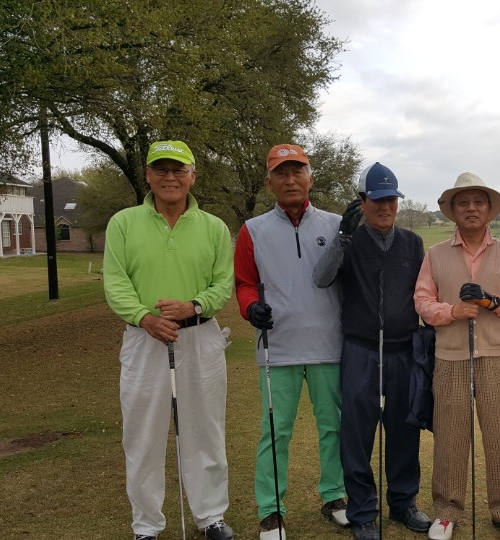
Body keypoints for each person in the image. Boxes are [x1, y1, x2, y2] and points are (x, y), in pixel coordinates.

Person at [104, 140, 235, 540]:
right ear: (147, 175)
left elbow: (222, 284)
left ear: (193, 176)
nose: (170, 177)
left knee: (205, 431)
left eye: (179, 170)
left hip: (201, 338)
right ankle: (146, 525)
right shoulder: (123, 223)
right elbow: (116, 282)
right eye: (161, 169)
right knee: (143, 434)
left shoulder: (214, 227)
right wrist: (145, 318)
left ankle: (210, 515)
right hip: (145, 340)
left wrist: (194, 305)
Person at [233, 144, 349, 540]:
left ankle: (334, 494)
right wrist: (250, 308)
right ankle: (271, 510)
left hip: (328, 346)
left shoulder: (336, 224)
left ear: (310, 178)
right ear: (269, 182)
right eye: (281, 173)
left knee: (333, 426)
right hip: (277, 347)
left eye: (297, 171)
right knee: (275, 431)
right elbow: (245, 283)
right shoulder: (253, 230)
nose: (290, 179)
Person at [313, 162, 432, 540]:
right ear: (361, 201)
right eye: (377, 200)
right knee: (357, 434)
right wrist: (343, 238)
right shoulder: (350, 240)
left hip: (403, 351)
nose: (386, 207)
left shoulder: (412, 243)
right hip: (360, 350)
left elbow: (424, 292)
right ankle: (363, 511)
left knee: (404, 431)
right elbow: (321, 278)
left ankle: (403, 502)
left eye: (391, 200)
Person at [414, 173, 500, 540]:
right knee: (450, 436)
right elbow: (422, 301)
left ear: (489, 209)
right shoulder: (435, 254)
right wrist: (451, 311)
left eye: (478, 202)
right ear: (453, 210)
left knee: (498, 434)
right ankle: (447, 511)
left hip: (497, 355)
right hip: (450, 357)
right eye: (463, 202)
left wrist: (490, 302)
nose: (471, 208)